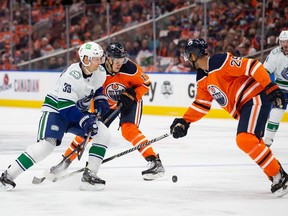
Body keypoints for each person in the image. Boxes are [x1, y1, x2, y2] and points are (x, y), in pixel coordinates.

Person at [169, 38, 288, 197]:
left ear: (194, 54)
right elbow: (202, 104)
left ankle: (279, 175)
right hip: (245, 107)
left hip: (254, 97)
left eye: (188, 55)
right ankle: (276, 175)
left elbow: (252, 66)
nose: (187, 59)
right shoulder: (202, 77)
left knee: (244, 139)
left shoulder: (219, 61)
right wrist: (184, 121)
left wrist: (269, 86)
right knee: (253, 142)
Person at [0, 41, 111, 191]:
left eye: (100, 58)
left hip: (77, 111)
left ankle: (89, 176)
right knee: (46, 146)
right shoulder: (72, 76)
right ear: (86, 59)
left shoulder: (99, 72)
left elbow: (97, 88)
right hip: (57, 111)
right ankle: (8, 176)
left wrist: (100, 100)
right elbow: (65, 107)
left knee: (103, 133)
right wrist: (85, 120)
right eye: (97, 59)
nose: (100, 62)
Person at [49, 42, 165, 181]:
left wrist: (133, 94)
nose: (119, 64)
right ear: (108, 58)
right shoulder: (98, 69)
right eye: (116, 61)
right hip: (105, 104)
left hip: (129, 101)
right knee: (90, 129)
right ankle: (65, 161)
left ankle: (154, 161)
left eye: (122, 60)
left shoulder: (130, 68)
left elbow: (146, 84)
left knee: (129, 129)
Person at [264, 30, 288, 147]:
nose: (285, 45)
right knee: (275, 114)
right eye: (283, 41)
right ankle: (268, 140)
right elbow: (265, 71)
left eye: (287, 42)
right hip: (281, 89)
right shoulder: (275, 53)